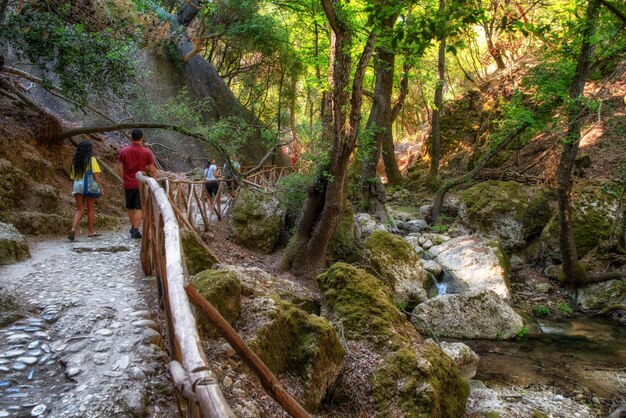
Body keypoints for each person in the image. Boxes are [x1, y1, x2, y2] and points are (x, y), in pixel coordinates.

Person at [117, 128, 155, 239]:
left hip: (128, 183)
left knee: (131, 207)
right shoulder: (146, 152)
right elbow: (152, 169)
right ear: (142, 138)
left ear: (131, 138)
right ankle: (135, 229)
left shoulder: (124, 151)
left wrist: (124, 179)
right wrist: (152, 180)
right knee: (140, 207)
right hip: (141, 184)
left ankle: (134, 226)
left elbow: (119, 167)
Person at [68, 141, 104, 241]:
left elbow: (73, 177)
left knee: (80, 209)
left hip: (77, 185)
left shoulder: (75, 161)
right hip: (88, 185)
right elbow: (96, 176)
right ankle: (91, 231)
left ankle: (73, 228)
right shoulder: (92, 160)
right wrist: (101, 187)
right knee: (90, 208)